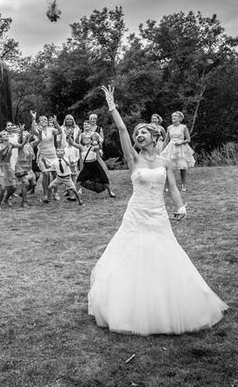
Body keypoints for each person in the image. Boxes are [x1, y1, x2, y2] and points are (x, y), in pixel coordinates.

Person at [87, 85, 227, 335]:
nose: (138, 134)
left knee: (164, 252)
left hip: (158, 214)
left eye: (143, 132)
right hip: (136, 214)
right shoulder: (132, 158)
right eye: (136, 132)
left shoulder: (165, 162)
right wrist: (112, 106)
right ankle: (130, 305)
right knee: (131, 253)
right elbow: (120, 128)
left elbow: (172, 187)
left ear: (154, 136)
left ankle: (165, 302)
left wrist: (181, 207)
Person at [69, 131, 116, 198]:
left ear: (91, 140)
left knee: (104, 179)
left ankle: (110, 191)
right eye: (85, 138)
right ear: (83, 140)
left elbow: (100, 147)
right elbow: (73, 143)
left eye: (88, 138)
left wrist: (98, 142)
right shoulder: (81, 147)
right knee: (79, 180)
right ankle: (75, 195)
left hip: (95, 165)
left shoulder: (93, 147)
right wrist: (69, 136)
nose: (86, 139)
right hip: (86, 166)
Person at [161, 111, 195, 191]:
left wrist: (181, 142)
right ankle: (167, 184)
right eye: (172, 116)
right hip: (171, 147)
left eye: (175, 116)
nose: (173, 117)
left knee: (182, 166)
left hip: (181, 148)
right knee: (168, 166)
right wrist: (162, 151)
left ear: (180, 118)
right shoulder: (169, 128)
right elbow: (166, 140)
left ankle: (183, 184)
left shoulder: (183, 127)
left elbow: (188, 139)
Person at [32, 111, 62, 203]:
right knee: (45, 174)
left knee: (55, 174)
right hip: (42, 156)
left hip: (52, 155)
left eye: (45, 119)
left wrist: (56, 123)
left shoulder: (51, 129)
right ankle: (45, 194)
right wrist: (33, 118)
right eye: (42, 119)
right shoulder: (38, 130)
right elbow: (33, 130)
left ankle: (55, 192)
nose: (44, 121)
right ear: (39, 122)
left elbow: (60, 131)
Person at [0, 129, 27, 210]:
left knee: (14, 187)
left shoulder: (11, 144)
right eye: (4, 134)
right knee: (2, 187)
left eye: (7, 134)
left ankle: (6, 199)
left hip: (8, 166)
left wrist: (27, 138)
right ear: (1, 138)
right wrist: (7, 146)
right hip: (0, 167)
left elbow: (21, 145)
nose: (6, 135)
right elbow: (0, 151)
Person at [14, 129, 37, 207]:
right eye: (24, 135)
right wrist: (21, 131)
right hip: (21, 168)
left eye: (27, 134)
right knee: (26, 183)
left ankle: (22, 193)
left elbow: (40, 139)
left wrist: (39, 131)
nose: (26, 136)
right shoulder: (21, 144)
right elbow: (21, 139)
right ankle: (24, 201)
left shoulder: (31, 144)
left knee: (34, 183)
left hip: (29, 168)